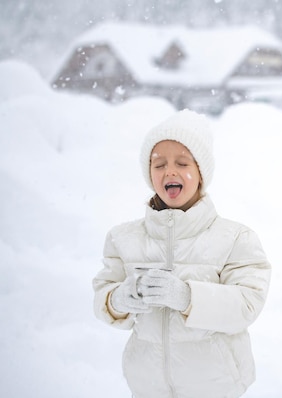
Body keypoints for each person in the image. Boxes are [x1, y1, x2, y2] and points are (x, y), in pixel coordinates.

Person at [92, 109, 271, 398]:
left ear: (201, 173)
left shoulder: (236, 238)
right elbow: (103, 299)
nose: (169, 172)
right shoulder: (124, 239)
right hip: (148, 388)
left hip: (215, 387)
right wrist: (120, 298)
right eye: (159, 164)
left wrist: (187, 297)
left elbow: (247, 305)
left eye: (182, 163)